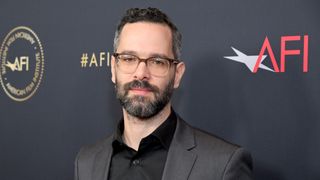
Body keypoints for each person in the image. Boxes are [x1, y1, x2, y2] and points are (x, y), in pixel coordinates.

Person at [75, 7, 253, 180]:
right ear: (114, 69)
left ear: (177, 75)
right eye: (129, 59)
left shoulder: (223, 165)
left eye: (157, 61)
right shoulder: (87, 162)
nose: (141, 73)